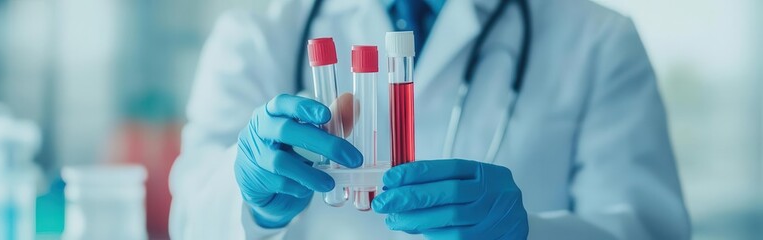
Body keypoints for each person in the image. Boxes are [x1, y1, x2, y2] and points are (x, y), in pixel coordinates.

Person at [169, 0, 691, 239]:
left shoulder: (599, 41)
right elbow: (188, 217)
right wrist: (252, 203)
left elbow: (649, 230)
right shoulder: (255, 35)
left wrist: (529, 234)